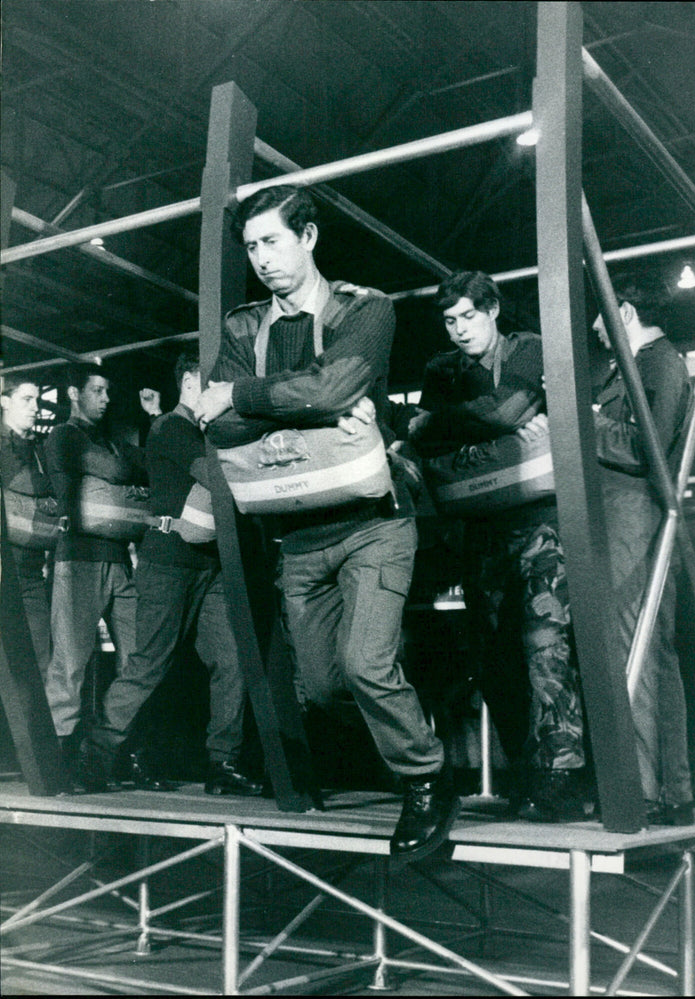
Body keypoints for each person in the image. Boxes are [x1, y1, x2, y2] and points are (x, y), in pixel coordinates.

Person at [194, 184, 459, 861]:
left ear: (308, 237)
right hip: (299, 537)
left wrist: (247, 395)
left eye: (273, 240)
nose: (261, 258)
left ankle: (427, 781)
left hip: (375, 522)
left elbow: (333, 387)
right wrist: (294, 402)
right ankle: (413, 733)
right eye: (251, 246)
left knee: (365, 662)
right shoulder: (242, 327)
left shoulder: (366, 307)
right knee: (323, 684)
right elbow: (214, 420)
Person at [406, 271, 588, 823]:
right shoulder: (443, 370)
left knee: (546, 647)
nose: (459, 329)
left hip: (538, 524)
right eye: (449, 320)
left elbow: (499, 413)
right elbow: (432, 433)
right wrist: (492, 427)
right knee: (493, 658)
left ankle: (562, 776)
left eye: (468, 316)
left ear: (493, 311)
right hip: (478, 531)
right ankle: (527, 774)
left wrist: (445, 424)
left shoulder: (530, 349)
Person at [83, 352, 262, 796]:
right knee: (150, 662)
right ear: (188, 383)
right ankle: (96, 755)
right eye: (212, 385)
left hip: (211, 563)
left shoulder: (207, 432)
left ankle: (223, 765)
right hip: (168, 563)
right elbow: (215, 477)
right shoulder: (171, 428)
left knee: (232, 660)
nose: (222, 396)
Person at [592, 277, 694, 825]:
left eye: (599, 316)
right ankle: (668, 790)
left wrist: (591, 423)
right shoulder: (634, 367)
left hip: (637, 514)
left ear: (623, 310)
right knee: (651, 651)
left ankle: (645, 791)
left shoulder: (657, 364)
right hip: (629, 517)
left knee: (637, 648)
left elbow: (647, 447)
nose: (592, 329)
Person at [43, 363, 146, 785]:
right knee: (70, 663)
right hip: (78, 558)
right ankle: (60, 763)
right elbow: (125, 471)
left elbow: (143, 465)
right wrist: (124, 472)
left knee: (136, 661)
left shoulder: (108, 438)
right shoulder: (65, 436)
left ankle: (115, 756)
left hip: (119, 559)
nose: (105, 399)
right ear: (73, 393)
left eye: (108, 391)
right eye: (97, 390)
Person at [0, 374, 54, 676]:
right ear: (4, 401)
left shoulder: (37, 448)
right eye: (26, 399)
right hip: (3, 568)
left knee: (38, 661)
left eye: (37, 400)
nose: (35, 407)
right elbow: (29, 484)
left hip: (32, 571)